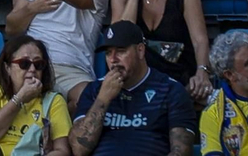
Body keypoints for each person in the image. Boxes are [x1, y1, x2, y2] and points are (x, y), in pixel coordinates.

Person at [108, 0, 211, 104]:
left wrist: (202, 71)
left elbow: (200, 40)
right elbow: (120, 40)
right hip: (136, 79)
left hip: (178, 78)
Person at [67, 21, 196, 156]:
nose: (113, 59)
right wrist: (103, 99)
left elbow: (181, 152)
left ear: (140, 50)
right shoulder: (94, 90)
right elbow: (79, 150)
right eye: (108, 53)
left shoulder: (171, 90)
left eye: (121, 51)